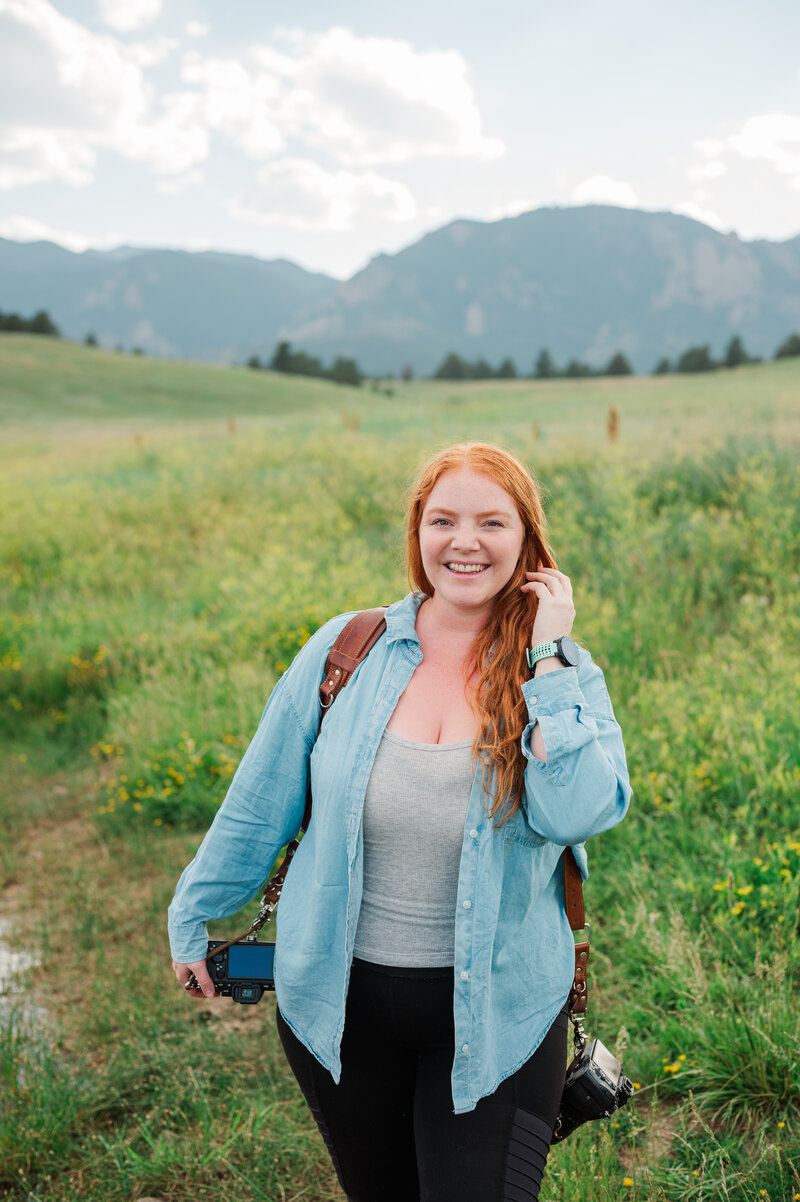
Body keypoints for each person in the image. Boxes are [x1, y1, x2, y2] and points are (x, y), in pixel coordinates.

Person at [169, 441, 631, 1202]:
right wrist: (194, 909)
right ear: (418, 533)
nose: (465, 542)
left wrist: (547, 655)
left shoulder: (562, 675)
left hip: (500, 1020)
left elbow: (578, 810)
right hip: (340, 1010)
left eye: (492, 522)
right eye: (443, 519)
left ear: (528, 543)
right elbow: (260, 800)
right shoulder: (348, 650)